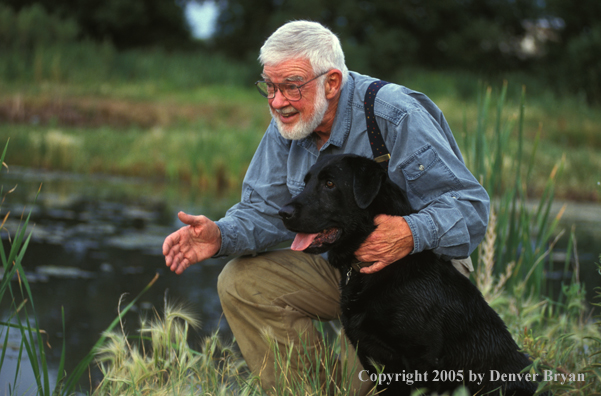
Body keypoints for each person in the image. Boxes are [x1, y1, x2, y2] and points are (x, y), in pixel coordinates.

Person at [163, 20, 490, 395]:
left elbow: (470, 207)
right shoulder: (291, 122)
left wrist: (410, 233)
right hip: (345, 269)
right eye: (269, 87)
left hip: (417, 275)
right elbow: (266, 212)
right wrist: (220, 235)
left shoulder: (394, 115)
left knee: (362, 389)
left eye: (290, 86)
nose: (276, 102)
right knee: (241, 282)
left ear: (331, 82)